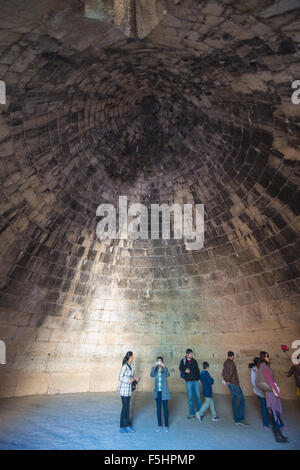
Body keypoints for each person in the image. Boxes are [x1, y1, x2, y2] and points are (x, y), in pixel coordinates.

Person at [258, 351, 288, 443]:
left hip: (271, 391)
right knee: (274, 411)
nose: (268, 358)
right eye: (267, 357)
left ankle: (279, 433)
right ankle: (278, 435)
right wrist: (275, 390)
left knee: (275, 412)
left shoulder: (263, 366)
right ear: (264, 358)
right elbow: (270, 380)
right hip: (271, 392)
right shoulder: (264, 366)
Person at [222, 351, 250, 427]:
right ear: (232, 356)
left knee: (234, 401)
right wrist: (227, 380)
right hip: (234, 384)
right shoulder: (232, 363)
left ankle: (236, 420)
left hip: (230, 385)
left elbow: (223, 373)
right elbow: (231, 373)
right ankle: (241, 419)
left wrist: (226, 381)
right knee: (242, 400)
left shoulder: (225, 362)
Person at [118, 351, 140, 434]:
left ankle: (127, 426)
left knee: (128, 408)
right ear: (129, 357)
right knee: (125, 408)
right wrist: (129, 380)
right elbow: (120, 377)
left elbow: (132, 376)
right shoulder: (124, 366)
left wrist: (135, 378)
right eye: (132, 356)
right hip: (123, 390)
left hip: (129, 390)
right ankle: (121, 426)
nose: (133, 357)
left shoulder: (132, 365)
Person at [150, 356, 171, 432]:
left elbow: (168, 374)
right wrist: (154, 366)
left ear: (162, 362)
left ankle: (166, 425)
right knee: (158, 409)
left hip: (164, 392)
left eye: (160, 361)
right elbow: (151, 375)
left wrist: (164, 366)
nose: (159, 363)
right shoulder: (155, 370)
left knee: (165, 409)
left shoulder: (164, 370)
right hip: (157, 392)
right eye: (158, 361)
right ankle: (159, 425)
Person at [179, 348, 201, 418]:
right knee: (191, 398)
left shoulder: (194, 361)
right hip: (188, 381)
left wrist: (199, 379)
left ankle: (199, 412)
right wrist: (185, 370)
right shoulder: (183, 361)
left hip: (196, 381)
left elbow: (198, 370)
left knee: (198, 397)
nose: (191, 355)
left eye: (192, 354)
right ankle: (192, 413)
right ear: (187, 354)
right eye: (190, 354)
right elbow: (180, 368)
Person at [249, 357, 270, 431]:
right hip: (260, 392)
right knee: (264, 407)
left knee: (270, 407)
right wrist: (262, 386)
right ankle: (266, 424)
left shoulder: (263, 368)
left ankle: (277, 423)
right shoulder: (254, 370)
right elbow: (254, 382)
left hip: (266, 391)